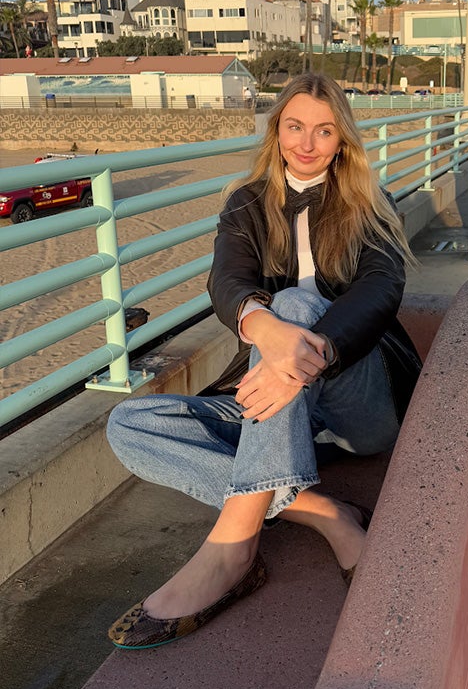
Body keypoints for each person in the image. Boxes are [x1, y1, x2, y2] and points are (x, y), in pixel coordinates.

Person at [105, 72, 422, 650]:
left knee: (296, 304)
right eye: (295, 127)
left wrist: (304, 354)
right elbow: (226, 278)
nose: (307, 143)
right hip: (278, 402)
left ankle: (233, 551)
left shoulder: (370, 203)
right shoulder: (247, 202)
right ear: (276, 131)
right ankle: (324, 512)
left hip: (358, 400)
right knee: (130, 424)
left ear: (342, 140)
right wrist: (266, 330)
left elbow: (381, 288)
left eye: (324, 131)